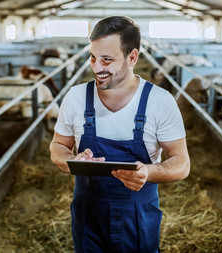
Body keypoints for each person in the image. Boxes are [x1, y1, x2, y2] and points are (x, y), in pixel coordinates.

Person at [49, 16, 190, 253]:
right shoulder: (75, 98)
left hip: (138, 216)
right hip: (88, 214)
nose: (96, 67)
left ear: (132, 57)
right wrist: (71, 161)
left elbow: (182, 163)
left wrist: (150, 171)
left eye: (107, 59)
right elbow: (57, 146)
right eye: (93, 57)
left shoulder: (160, 101)